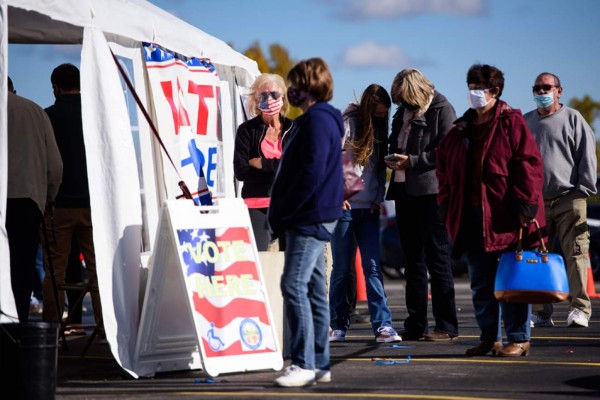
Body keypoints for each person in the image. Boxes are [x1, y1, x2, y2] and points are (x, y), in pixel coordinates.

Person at [437, 64, 546, 357]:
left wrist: (526, 205)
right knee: (481, 284)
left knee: (512, 283)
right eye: (470, 85)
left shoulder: (511, 122)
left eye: (479, 87)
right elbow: (444, 166)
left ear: (495, 91)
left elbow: (529, 164)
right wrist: (446, 203)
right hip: (472, 218)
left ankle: (519, 339)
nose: (473, 92)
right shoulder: (461, 128)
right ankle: (489, 338)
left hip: (506, 218)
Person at [268, 57, 344, 387]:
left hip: (308, 217)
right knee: (313, 288)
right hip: (313, 215)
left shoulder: (317, 121)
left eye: (294, 86)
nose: (290, 93)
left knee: (293, 285)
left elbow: (309, 173)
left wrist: (287, 212)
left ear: (307, 86)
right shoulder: (318, 120)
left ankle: (303, 362)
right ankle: (319, 361)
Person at [384, 68, 459, 341]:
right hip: (403, 192)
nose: (403, 106)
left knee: (438, 259)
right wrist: (393, 156)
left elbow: (448, 151)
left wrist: (413, 161)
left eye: (406, 100)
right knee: (412, 262)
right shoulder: (401, 112)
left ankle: (447, 326)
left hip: (431, 194)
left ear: (416, 93)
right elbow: (395, 141)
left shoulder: (442, 109)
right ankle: (416, 324)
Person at [328, 84, 401, 343]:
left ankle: (383, 325)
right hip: (344, 210)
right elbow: (330, 159)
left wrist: (378, 197)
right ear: (370, 107)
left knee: (372, 267)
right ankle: (337, 325)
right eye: (379, 113)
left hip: (368, 208)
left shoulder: (380, 130)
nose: (382, 118)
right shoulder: (347, 122)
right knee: (341, 268)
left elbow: (380, 170)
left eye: (385, 114)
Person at [524, 72, 597, 328]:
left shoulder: (573, 119)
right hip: (537, 203)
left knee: (576, 254)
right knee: (536, 258)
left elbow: (587, 157)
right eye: (537, 88)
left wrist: (583, 190)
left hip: (569, 198)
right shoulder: (526, 122)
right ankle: (542, 313)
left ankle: (579, 309)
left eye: (546, 87)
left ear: (559, 91)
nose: (541, 92)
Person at [41, 63, 102, 329]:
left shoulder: (47, 116)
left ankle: (53, 327)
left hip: (59, 204)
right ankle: (104, 326)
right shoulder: (95, 114)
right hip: (93, 204)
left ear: (56, 87)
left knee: (55, 271)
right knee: (98, 270)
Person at [6, 76, 63, 322]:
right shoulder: (34, 111)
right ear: (13, 89)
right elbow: (56, 165)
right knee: (22, 268)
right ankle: (17, 322)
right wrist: (48, 198)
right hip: (26, 200)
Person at [234, 73, 295, 251]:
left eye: (274, 95)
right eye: (264, 95)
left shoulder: (294, 129)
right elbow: (240, 171)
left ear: (283, 98)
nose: (269, 99)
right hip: (256, 204)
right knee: (258, 258)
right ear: (256, 99)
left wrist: (263, 164)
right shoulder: (246, 130)